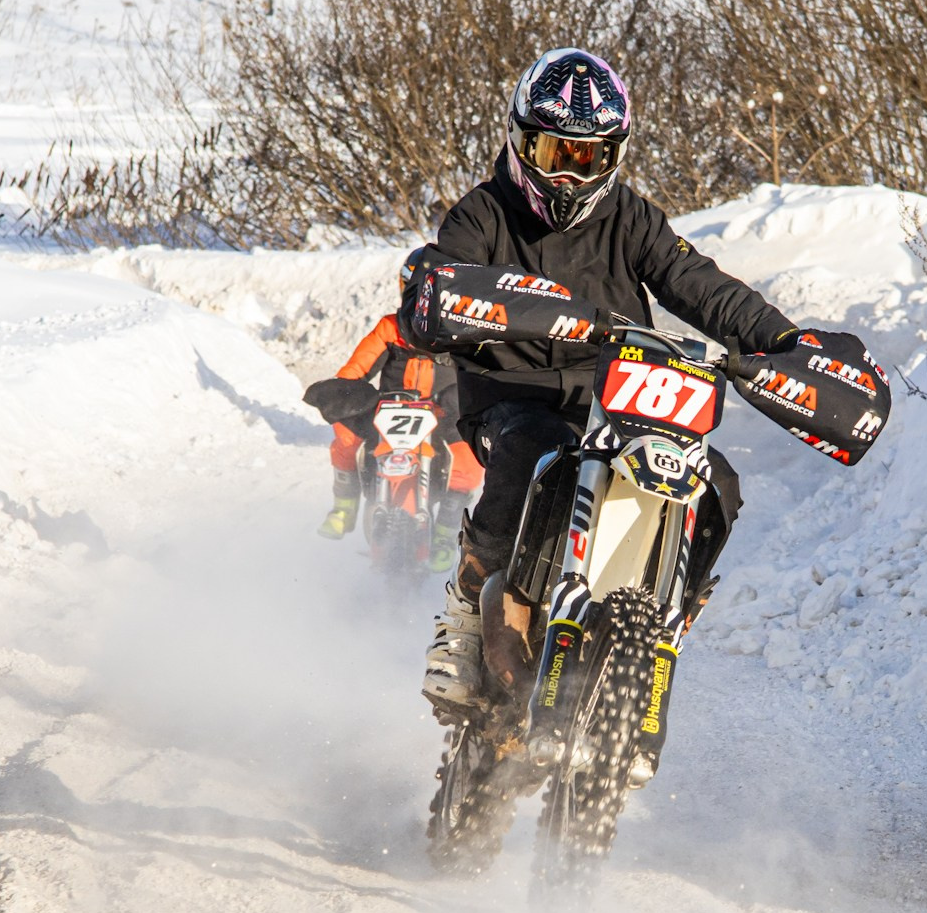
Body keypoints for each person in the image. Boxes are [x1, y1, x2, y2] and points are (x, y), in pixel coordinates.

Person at [420, 46, 801, 706]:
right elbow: (443, 285)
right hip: (512, 391)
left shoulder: (630, 218)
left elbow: (700, 286)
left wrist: (785, 343)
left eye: (586, 157)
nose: (568, 175)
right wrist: (461, 301)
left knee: (718, 481)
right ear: (520, 142)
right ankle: (462, 616)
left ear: (613, 156)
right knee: (529, 452)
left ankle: (661, 626)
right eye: (553, 154)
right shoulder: (482, 214)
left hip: (614, 393)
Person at [303, 259, 483, 573]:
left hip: (442, 416)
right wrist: (345, 392)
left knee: (469, 460)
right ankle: (343, 507)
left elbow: (481, 376)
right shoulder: (391, 327)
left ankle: (444, 535)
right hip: (388, 412)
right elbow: (355, 369)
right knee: (345, 434)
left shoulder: (466, 335)